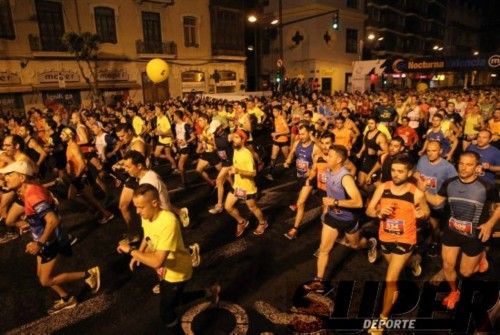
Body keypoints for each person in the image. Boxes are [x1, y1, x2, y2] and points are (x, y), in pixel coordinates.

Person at [0, 161, 100, 315]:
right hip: (43, 239)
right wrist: (30, 226)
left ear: (21, 177)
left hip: (49, 241)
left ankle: (88, 274)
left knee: (45, 280)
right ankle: (66, 298)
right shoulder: (25, 191)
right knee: (41, 275)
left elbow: (53, 220)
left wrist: (39, 243)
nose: (5, 178)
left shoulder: (32, 195)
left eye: (9, 175)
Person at [419, 151, 498, 310]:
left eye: (469, 164)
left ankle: (481, 255)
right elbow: (436, 201)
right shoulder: (450, 183)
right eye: (461, 163)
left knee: (467, 272)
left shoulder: (487, 186)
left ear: (477, 167)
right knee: (448, 265)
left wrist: (489, 224)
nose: (464, 168)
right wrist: (423, 190)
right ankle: (454, 291)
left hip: (474, 234)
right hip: (452, 230)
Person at [366, 154, 429, 331]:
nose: (395, 174)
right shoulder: (383, 187)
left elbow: (426, 212)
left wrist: (422, 214)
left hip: (405, 239)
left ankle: (382, 320)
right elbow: (369, 210)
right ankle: (414, 261)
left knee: (391, 278)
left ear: (409, 172)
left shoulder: (415, 193)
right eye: (393, 170)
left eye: (400, 171)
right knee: (395, 271)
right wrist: (378, 212)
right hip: (385, 238)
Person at [117, 183, 193, 329]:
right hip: (165, 270)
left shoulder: (168, 221)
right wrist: (138, 254)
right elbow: (147, 235)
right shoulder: (147, 215)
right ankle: (210, 292)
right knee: (174, 299)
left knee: (165, 312)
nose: (137, 212)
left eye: (141, 207)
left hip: (177, 271)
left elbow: (157, 261)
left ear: (155, 203)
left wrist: (132, 251)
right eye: (136, 207)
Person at [304, 145, 374, 293]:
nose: (326, 157)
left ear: (338, 159)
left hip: (348, 219)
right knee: (324, 250)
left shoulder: (345, 177)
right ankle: (318, 281)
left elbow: (358, 202)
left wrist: (334, 203)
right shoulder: (329, 171)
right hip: (332, 217)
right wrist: (327, 209)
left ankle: (369, 244)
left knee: (355, 245)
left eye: (329, 155)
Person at [60, 127, 114, 224]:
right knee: (76, 197)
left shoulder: (73, 147)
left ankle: (105, 213)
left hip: (80, 177)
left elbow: (82, 163)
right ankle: (96, 210)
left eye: (63, 134)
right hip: (76, 177)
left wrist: (77, 176)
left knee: (89, 198)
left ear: (69, 135)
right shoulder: (69, 146)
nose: (60, 136)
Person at [414, 140, 458, 257]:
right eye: (428, 150)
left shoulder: (448, 167)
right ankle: (418, 242)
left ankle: (434, 242)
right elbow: (416, 173)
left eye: (434, 151)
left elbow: (455, 184)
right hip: (422, 200)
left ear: (441, 151)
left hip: (437, 203)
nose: (430, 153)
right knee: (418, 221)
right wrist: (418, 177)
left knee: (434, 226)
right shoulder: (423, 160)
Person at [224, 129, 268, 237]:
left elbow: (253, 173)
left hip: (247, 188)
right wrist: (230, 170)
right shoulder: (236, 149)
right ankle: (242, 222)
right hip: (238, 186)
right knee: (228, 207)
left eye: (236, 138)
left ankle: (263, 223)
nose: (233, 140)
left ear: (243, 140)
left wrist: (239, 171)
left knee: (253, 208)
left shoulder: (247, 154)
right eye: (233, 137)